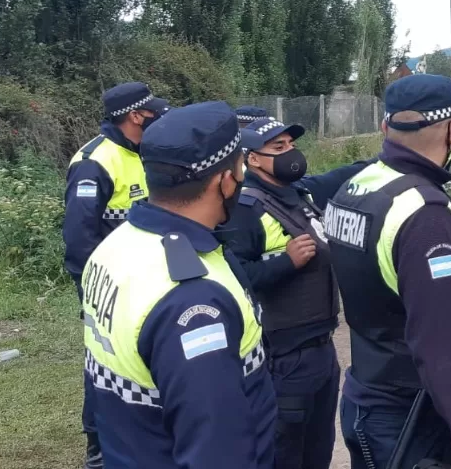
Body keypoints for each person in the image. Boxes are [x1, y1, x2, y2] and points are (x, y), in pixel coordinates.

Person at [326, 74, 451, 469]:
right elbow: (441, 343)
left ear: (385, 127)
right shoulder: (423, 216)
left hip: (369, 391)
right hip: (410, 416)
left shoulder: (357, 186)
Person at [80, 101, 275, 469]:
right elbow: (216, 451)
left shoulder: (115, 246)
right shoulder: (195, 304)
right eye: (240, 164)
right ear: (225, 181)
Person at [217, 116, 364, 469]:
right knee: (286, 452)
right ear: (253, 159)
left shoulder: (298, 196)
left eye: (292, 145)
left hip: (321, 345)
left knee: (318, 449)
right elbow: (232, 277)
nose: (290, 154)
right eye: (278, 148)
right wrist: (286, 262)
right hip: (284, 354)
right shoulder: (245, 208)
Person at [63, 81, 169, 468]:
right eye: (153, 112)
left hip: (150, 281)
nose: (160, 116)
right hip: (110, 284)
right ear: (135, 116)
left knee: (143, 362)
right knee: (107, 360)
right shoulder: (95, 162)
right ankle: (98, 447)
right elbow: (79, 240)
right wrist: (100, 291)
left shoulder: (144, 152)